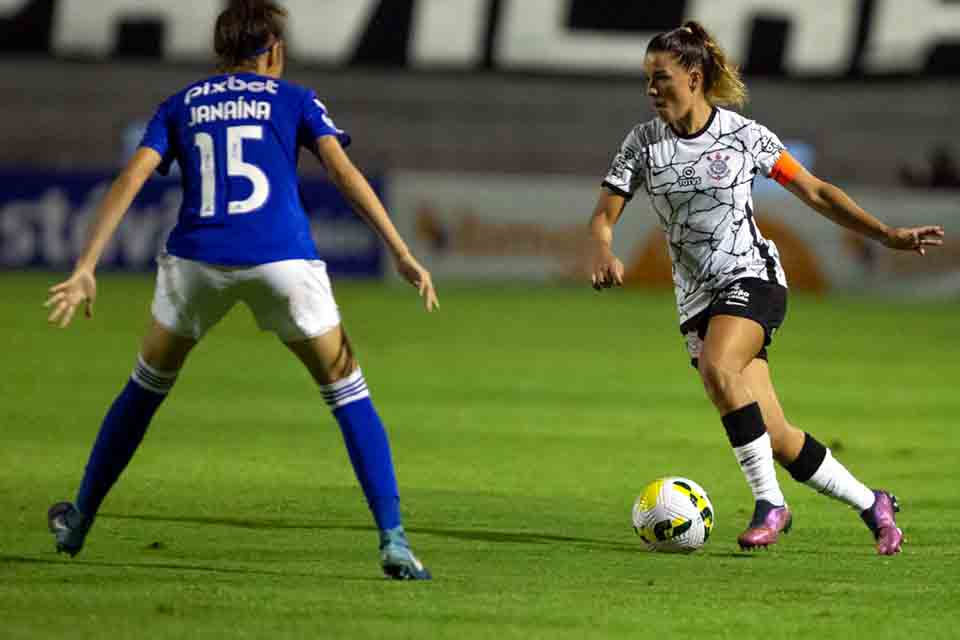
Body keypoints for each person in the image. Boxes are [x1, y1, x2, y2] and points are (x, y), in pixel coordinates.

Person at [44, 0, 436, 580]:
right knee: (347, 391)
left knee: (144, 389)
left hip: (196, 263)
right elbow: (343, 174)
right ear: (273, 50)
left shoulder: (179, 104)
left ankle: (79, 520)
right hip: (283, 260)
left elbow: (130, 177)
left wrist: (86, 265)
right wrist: (400, 251)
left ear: (219, 51)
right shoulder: (296, 99)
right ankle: (394, 540)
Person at [588, 21, 945, 555]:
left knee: (717, 367)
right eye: (647, 79)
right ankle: (873, 503)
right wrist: (602, 248)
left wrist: (887, 235)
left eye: (660, 78)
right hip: (695, 299)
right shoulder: (642, 144)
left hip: (753, 278)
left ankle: (769, 503)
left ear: (693, 76)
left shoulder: (743, 136)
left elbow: (816, 192)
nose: (650, 89)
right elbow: (603, 216)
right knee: (775, 435)